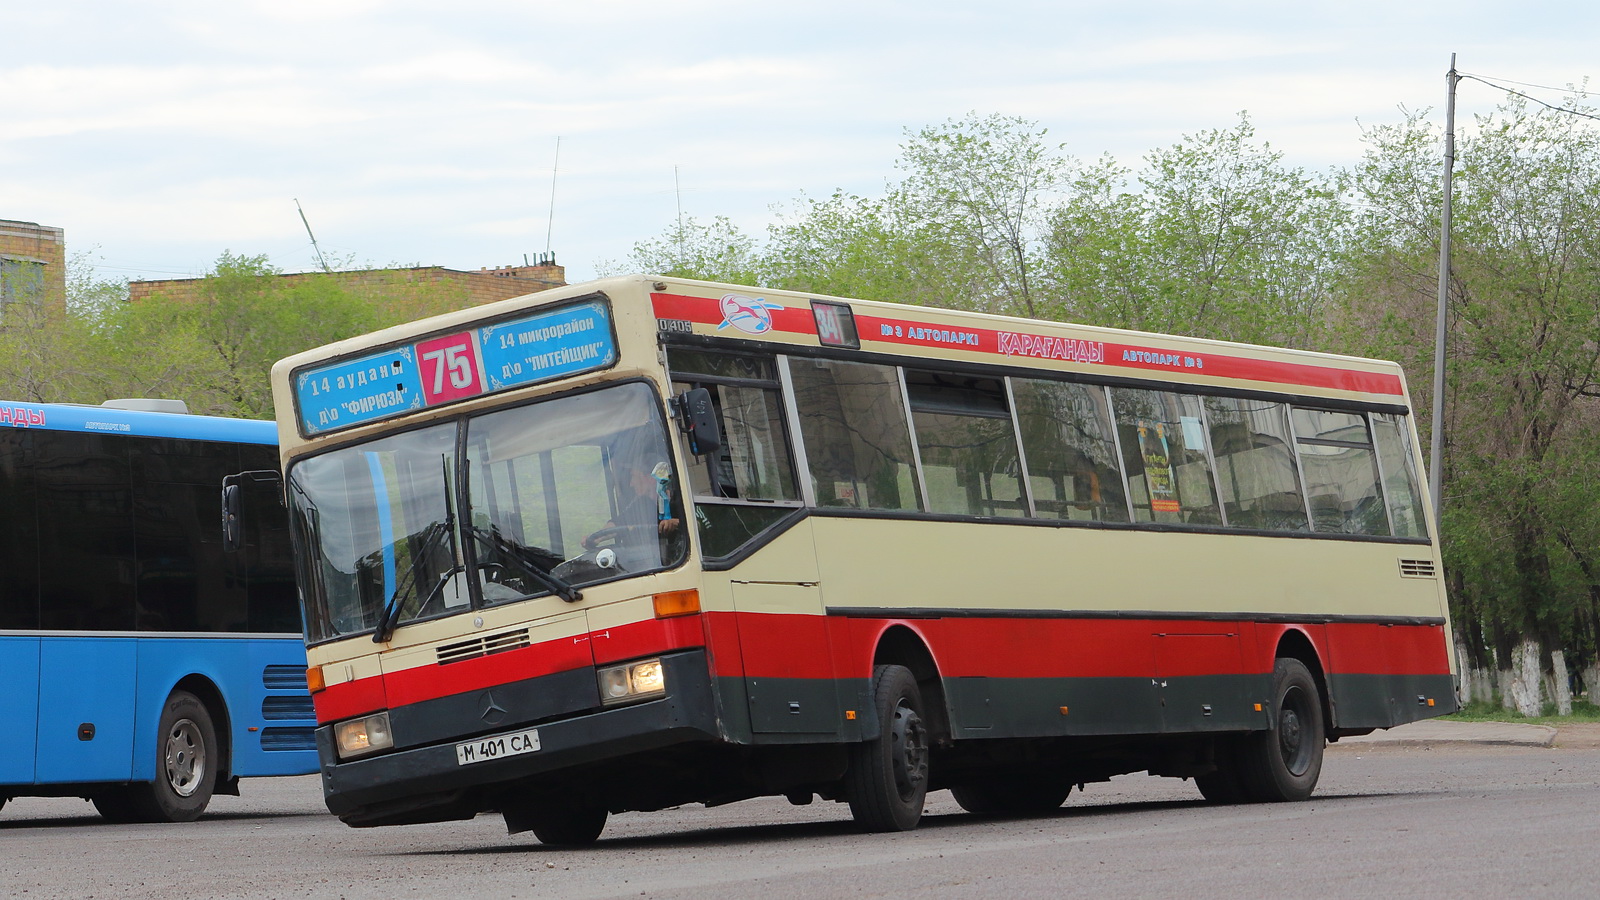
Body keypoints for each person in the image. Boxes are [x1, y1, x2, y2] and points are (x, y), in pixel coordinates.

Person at [584, 460, 681, 569]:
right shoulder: (642, 504)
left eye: (634, 476)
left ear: (651, 479)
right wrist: (596, 537)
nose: (631, 483)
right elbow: (617, 524)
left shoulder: (679, 499)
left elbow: (697, 525)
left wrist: (676, 523)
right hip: (646, 565)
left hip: (676, 563)